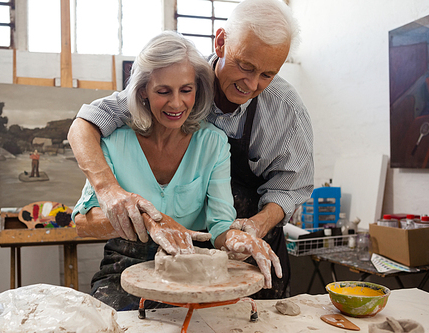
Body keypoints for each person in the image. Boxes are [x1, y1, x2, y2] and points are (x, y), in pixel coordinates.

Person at [68, 0, 313, 299]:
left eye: (267, 74)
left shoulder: (275, 116)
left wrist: (250, 229)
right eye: (245, 66)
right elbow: (86, 123)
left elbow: (289, 188)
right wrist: (109, 191)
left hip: (234, 245)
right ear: (221, 43)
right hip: (141, 258)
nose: (251, 83)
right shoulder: (176, 80)